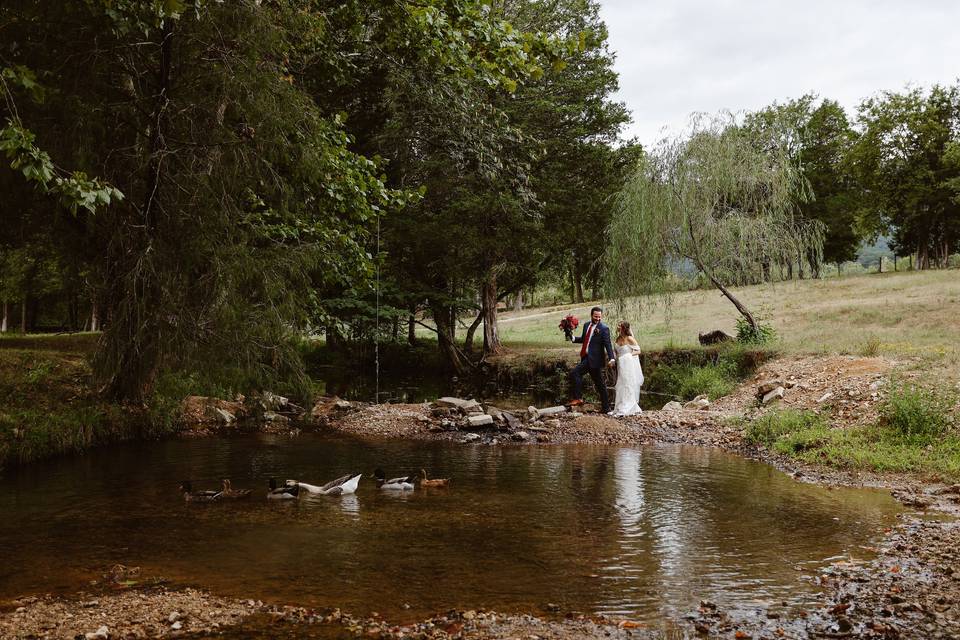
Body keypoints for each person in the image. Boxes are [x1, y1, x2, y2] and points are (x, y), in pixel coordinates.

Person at [567, 306, 616, 413]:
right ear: (591, 315)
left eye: (599, 317)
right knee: (600, 384)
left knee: (575, 373)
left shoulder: (604, 328)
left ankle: (578, 398)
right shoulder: (586, 325)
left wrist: (612, 357)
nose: (597, 319)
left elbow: (608, 344)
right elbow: (584, 339)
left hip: (595, 359)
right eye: (595, 316)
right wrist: (573, 338)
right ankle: (606, 408)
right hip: (586, 357)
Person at [610, 322, 644, 416]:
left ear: (623, 328)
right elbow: (616, 353)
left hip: (628, 365)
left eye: (619, 326)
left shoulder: (629, 338)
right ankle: (619, 406)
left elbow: (638, 350)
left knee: (627, 383)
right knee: (620, 383)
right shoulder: (618, 339)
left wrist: (628, 356)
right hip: (620, 365)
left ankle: (628, 406)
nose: (617, 327)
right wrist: (613, 360)